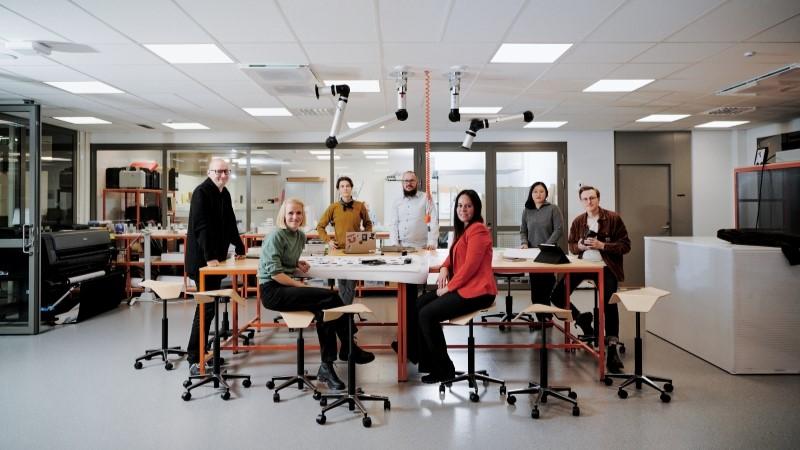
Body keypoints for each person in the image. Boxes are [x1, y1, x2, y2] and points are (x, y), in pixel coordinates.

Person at [259, 199, 375, 390]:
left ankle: (327, 366)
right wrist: (299, 286)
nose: (295, 217)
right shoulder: (276, 236)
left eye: (298, 213)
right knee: (331, 297)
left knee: (326, 310)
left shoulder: (299, 236)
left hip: (284, 287)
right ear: (283, 215)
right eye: (290, 213)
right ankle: (348, 346)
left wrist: (297, 264)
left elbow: (284, 258)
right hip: (273, 290)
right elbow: (275, 273)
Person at [416, 190, 497, 383]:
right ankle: (423, 357)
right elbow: (452, 256)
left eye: (468, 206)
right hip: (465, 287)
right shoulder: (464, 229)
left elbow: (470, 266)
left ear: (476, 208)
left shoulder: (477, 229)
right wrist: (444, 268)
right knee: (420, 303)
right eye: (460, 206)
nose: (463, 209)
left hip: (478, 291)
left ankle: (444, 369)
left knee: (427, 315)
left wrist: (449, 287)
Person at [548, 185, 630, 373]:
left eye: (592, 198)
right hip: (583, 265)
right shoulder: (578, 221)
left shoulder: (613, 219)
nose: (589, 202)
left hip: (606, 267)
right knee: (557, 295)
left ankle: (611, 348)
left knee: (609, 302)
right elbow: (571, 246)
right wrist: (579, 247)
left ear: (598, 199)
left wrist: (603, 245)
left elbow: (626, 246)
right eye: (585, 199)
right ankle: (583, 320)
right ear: (581, 201)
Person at [185, 158, 246, 375]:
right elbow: (202, 228)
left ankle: (204, 353)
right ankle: (194, 358)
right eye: (219, 171)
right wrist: (210, 257)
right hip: (202, 262)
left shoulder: (224, 193)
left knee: (209, 308)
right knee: (205, 308)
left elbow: (230, 222)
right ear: (210, 171)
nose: (223, 175)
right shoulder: (202, 192)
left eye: (226, 171)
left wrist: (239, 247)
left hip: (215, 261)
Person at [388, 171, 439, 364]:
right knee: (406, 297)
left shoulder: (426, 198)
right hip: (402, 251)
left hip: (422, 249)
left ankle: (416, 342)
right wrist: (395, 246)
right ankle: (409, 342)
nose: (408, 183)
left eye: (411, 180)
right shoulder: (396, 201)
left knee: (418, 297)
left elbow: (433, 220)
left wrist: (433, 241)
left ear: (417, 182)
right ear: (402, 183)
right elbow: (393, 225)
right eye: (405, 181)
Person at [315, 176, 372, 305]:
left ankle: (344, 312)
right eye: (342, 186)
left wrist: (363, 238)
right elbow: (320, 226)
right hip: (339, 251)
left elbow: (368, 224)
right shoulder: (333, 207)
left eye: (347, 186)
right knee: (341, 283)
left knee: (351, 284)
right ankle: (346, 313)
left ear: (351, 188)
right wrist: (328, 241)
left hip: (355, 251)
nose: (345, 188)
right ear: (338, 189)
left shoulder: (360, 206)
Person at [520, 182, 563, 317]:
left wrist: (546, 246)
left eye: (541, 191)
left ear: (546, 194)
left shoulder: (553, 209)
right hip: (532, 254)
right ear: (531, 194)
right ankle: (541, 320)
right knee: (536, 289)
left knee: (547, 286)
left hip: (548, 253)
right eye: (535, 191)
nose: (538, 194)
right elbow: (523, 231)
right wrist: (524, 243)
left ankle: (547, 318)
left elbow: (558, 230)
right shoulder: (527, 210)